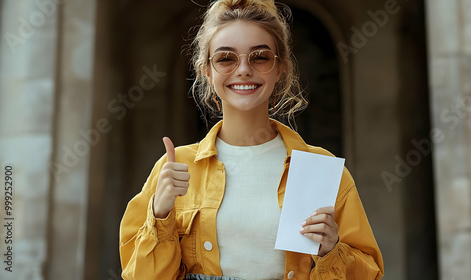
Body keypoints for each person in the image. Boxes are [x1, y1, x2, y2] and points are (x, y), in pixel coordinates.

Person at [119, 0, 384, 279]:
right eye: (226, 58)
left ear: (280, 67)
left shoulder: (318, 168)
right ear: (207, 71)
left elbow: (371, 273)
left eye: (259, 57)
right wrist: (161, 215)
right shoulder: (176, 168)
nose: (243, 69)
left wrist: (331, 251)